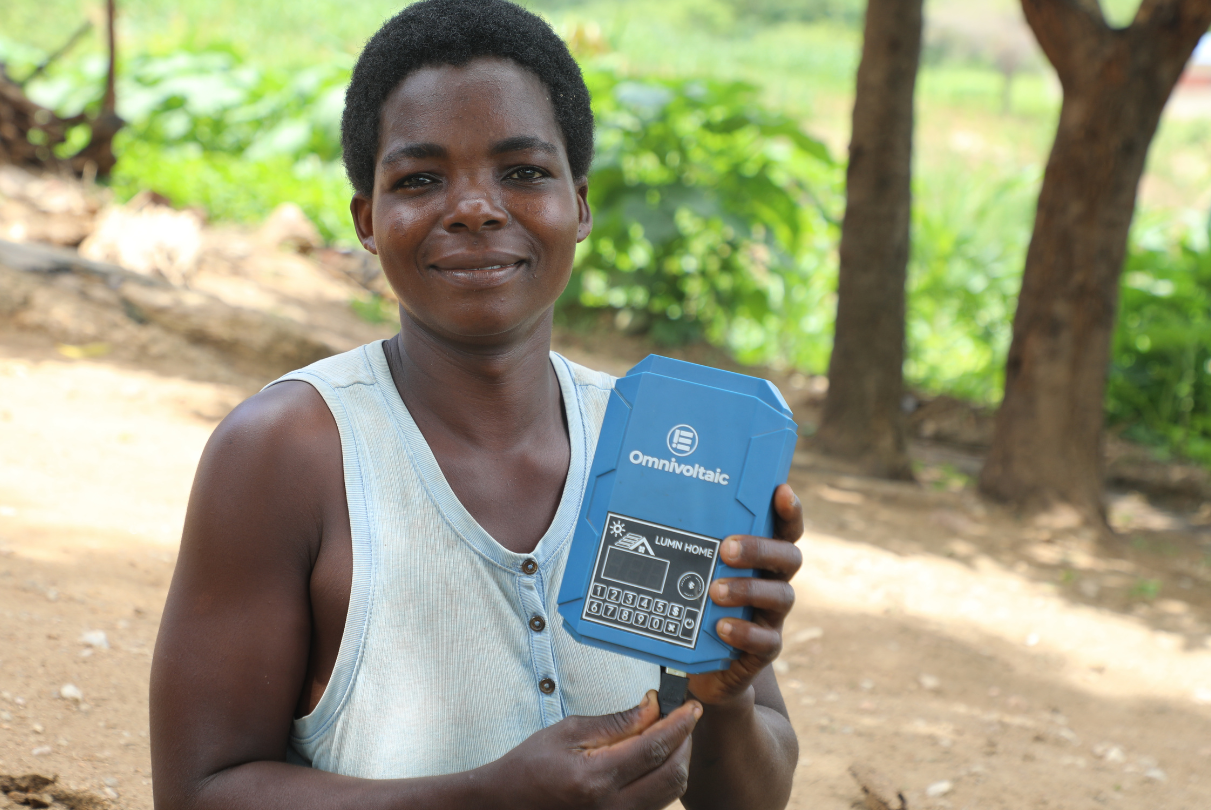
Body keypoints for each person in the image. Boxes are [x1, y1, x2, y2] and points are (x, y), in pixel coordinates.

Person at [150, 1, 805, 807]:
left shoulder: (665, 452)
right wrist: (489, 798)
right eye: (420, 179)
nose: (474, 207)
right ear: (367, 220)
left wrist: (727, 692)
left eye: (524, 172)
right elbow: (200, 791)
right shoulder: (286, 454)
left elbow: (749, 795)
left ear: (582, 203)